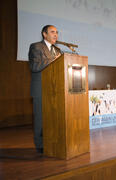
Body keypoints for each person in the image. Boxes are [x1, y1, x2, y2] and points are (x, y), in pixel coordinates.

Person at [28, 25, 61, 153]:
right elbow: (35, 66)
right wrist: (54, 59)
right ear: (44, 34)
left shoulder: (57, 50)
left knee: (54, 117)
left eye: (57, 32)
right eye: (52, 32)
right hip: (40, 89)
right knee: (40, 119)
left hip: (54, 89)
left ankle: (52, 141)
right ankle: (40, 145)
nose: (56, 35)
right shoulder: (36, 46)